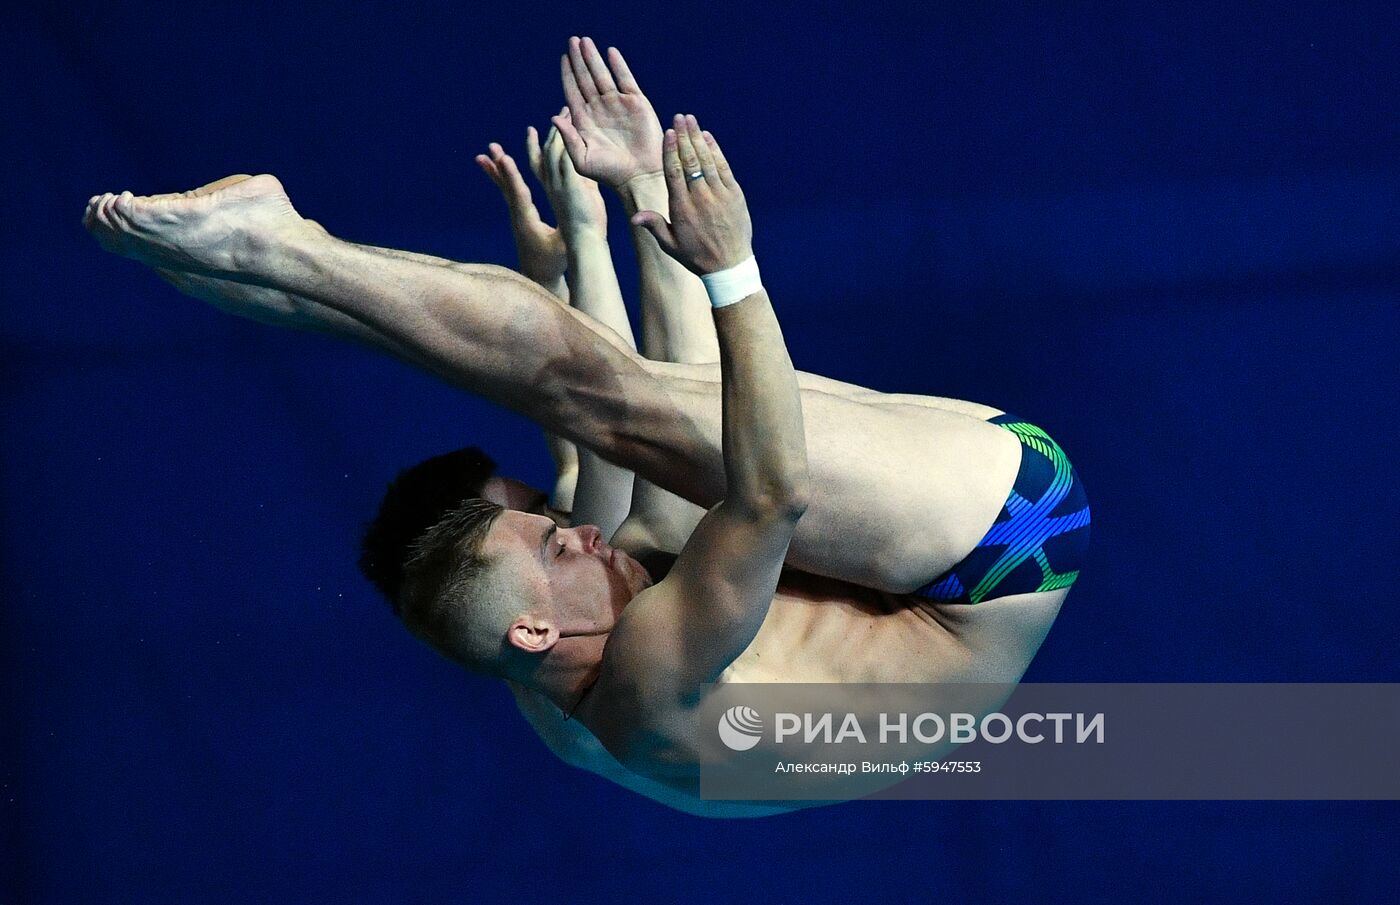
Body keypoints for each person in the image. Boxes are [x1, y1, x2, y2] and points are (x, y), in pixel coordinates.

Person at [83, 40, 1090, 816]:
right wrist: (726, 262)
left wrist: (634, 204)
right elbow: (761, 484)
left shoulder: (555, 660)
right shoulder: (644, 683)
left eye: (541, 518)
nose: (565, 520)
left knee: (626, 424)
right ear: (531, 621)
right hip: (999, 544)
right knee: (613, 409)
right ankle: (288, 251)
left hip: (932, 548)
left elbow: (641, 435)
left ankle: (275, 280)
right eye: (544, 531)